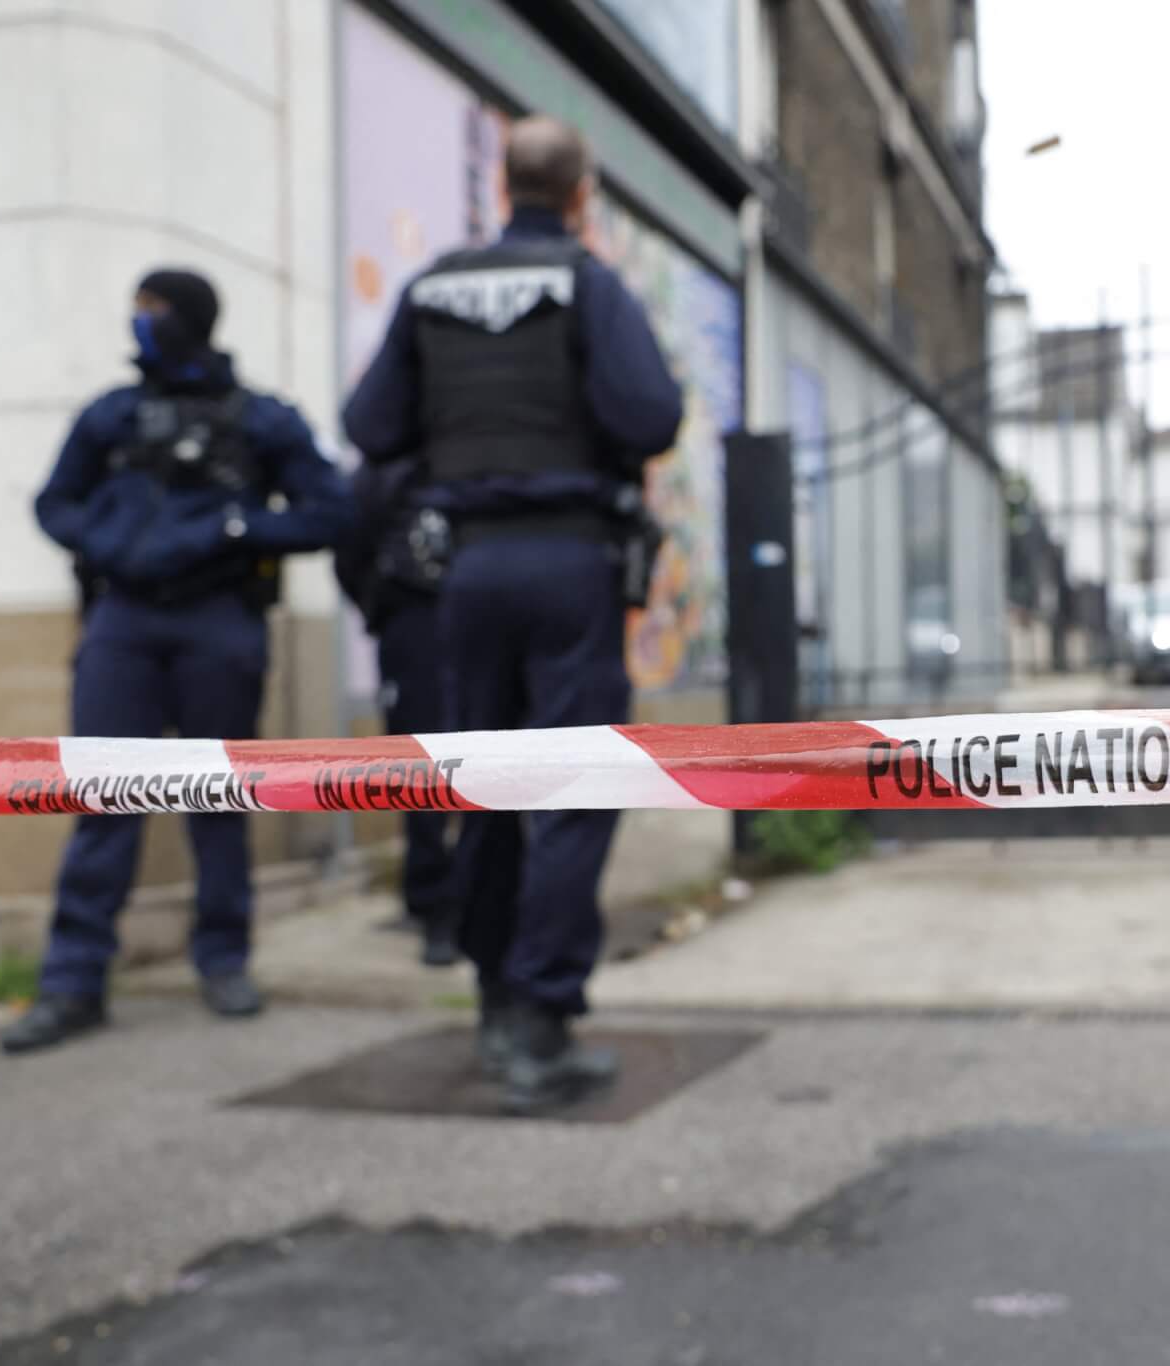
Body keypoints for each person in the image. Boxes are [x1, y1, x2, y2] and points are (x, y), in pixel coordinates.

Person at [342, 115, 683, 1114]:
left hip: (469, 574)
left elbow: (369, 428)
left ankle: (495, 999)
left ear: (501, 186)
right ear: (580, 195)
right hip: (569, 564)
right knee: (573, 789)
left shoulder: (432, 289)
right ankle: (539, 1020)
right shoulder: (590, 284)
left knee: (481, 785)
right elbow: (650, 417)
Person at [2, 268, 355, 1054]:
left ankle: (224, 960)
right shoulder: (112, 414)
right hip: (123, 622)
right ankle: (72, 981)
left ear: (191, 317)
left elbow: (331, 511)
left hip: (218, 623)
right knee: (101, 798)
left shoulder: (262, 419)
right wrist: (108, 542)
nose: (141, 322)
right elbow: (53, 503)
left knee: (217, 801)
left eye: (153, 310)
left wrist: (236, 529)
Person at [332, 456, 461, 967]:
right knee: (419, 770)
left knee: (505, 770)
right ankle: (434, 907)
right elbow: (349, 542)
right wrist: (381, 605)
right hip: (415, 624)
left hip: (487, 620)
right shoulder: (393, 467)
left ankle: (489, 898)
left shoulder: (486, 459)